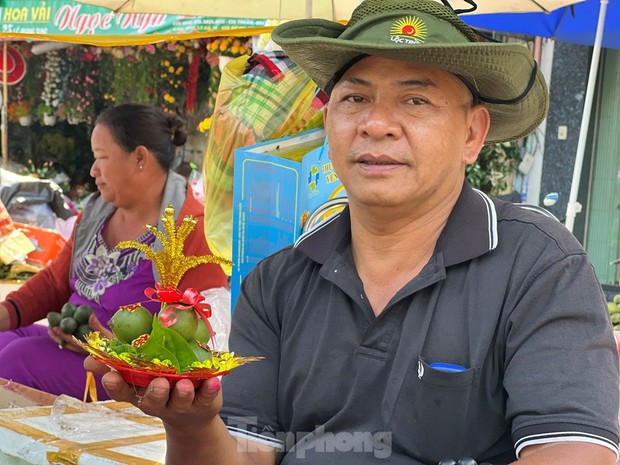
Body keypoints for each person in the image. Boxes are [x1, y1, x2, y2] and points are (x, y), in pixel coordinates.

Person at [86, 1, 620, 464]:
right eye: (355, 98)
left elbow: (575, 452)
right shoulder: (278, 281)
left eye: (416, 100)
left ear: (472, 133)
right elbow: (247, 451)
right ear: (329, 123)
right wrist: (192, 423)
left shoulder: (537, 264)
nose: (376, 123)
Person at [0, 104, 228, 400]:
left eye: (102, 158)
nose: (93, 170)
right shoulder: (97, 213)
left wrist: (114, 349)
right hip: (73, 350)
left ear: (140, 158)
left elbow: (201, 346)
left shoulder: (188, 230)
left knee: (16, 359)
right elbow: (55, 283)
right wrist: (5, 312)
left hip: (126, 379)